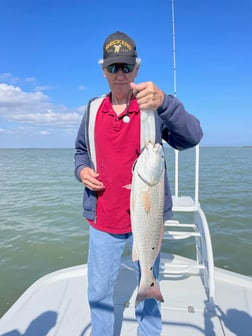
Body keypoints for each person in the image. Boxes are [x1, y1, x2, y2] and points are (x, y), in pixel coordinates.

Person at [74, 31, 203, 336]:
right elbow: (81, 151)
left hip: (146, 221)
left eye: (126, 67)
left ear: (137, 68)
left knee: (149, 287)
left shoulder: (152, 106)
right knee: (100, 292)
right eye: (113, 67)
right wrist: (81, 171)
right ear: (103, 69)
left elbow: (192, 137)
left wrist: (166, 104)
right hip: (104, 219)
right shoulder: (93, 110)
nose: (120, 75)